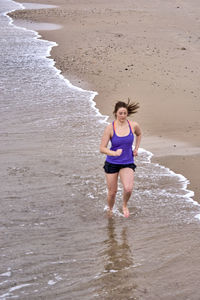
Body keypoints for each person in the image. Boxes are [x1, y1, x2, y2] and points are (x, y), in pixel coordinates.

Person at [100, 99, 142, 217]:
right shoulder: (110, 128)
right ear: (115, 113)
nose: (123, 116)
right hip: (112, 162)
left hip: (127, 161)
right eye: (120, 113)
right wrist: (114, 153)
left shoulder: (133, 125)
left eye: (125, 113)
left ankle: (124, 205)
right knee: (112, 193)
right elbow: (102, 148)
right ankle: (110, 209)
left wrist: (136, 148)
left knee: (128, 189)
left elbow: (139, 134)